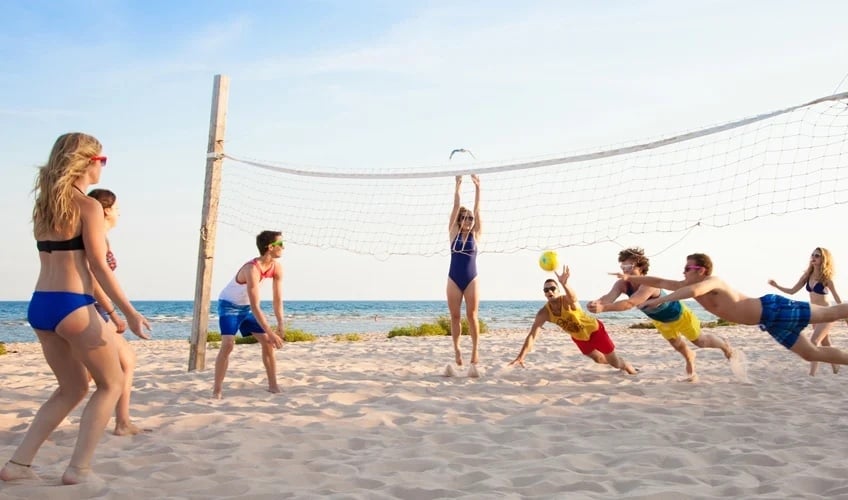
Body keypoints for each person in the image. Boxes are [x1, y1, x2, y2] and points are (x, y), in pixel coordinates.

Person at [1, 133, 150, 485]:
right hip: (73, 304)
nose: (104, 165)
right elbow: (98, 265)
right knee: (111, 384)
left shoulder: (45, 206)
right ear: (85, 161)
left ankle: (18, 465)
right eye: (103, 159)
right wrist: (127, 311)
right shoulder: (88, 206)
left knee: (70, 389)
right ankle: (78, 469)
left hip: (40, 305)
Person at [617, 253, 848, 368]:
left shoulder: (712, 282)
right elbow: (662, 281)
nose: (684, 271)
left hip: (773, 309)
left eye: (688, 268)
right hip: (769, 323)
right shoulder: (685, 284)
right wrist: (629, 276)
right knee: (810, 355)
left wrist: (657, 302)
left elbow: (694, 292)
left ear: (702, 270)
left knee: (832, 313)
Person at [588, 247, 734, 381]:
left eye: (629, 266)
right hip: (660, 320)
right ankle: (690, 357)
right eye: (623, 266)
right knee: (677, 345)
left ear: (640, 267)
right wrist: (597, 303)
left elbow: (630, 303)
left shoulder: (649, 284)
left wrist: (604, 309)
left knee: (700, 342)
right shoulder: (622, 284)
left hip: (679, 315)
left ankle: (724, 345)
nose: (625, 270)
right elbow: (608, 298)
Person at [88, 188, 148, 434]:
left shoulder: (102, 236)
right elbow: (92, 279)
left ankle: (123, 422)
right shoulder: (95, 237)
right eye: (117, 208)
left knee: (125, 361)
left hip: (97, 308)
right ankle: (122, 423)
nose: (120, 212)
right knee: (80, 381)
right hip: (90, 308)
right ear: (106, 210)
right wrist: (114, 313)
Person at [509, 266, 637, 374]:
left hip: (595, 331)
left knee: (615, 363)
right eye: (546, 290)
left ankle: (629, 367)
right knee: (598, 360)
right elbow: (532, 335)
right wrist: (521, 356)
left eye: (553, 288)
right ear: (544, 293)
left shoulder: (566, 300)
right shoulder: (544, 313)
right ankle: (615, 360)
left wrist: (565, 284)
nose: (550, 291)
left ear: (558, 291)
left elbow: (573, 297)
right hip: (579, 337)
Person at [212, 231, 286, 399]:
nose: (283, 247)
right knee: (228, 345)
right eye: (280, 244)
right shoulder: (251, 269)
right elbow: (255, 305)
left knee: (267, 342)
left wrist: (280, 323)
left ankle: (273, 386)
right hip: (229, 306)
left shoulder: (277, 267)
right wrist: (271, 331)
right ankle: (217, 390)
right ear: (270, 247)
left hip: (245, 308)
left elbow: (277, 299)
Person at [768, 247, 844, 376]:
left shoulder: (827, 279)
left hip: (828, 313)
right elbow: (792, 291)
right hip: (815, 314)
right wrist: (777, 286)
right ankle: (836, 364)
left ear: (824, 259)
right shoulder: (807, 276)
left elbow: (837, 299)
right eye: (813, 255)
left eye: (817, 256)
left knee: (814, 342)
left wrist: (844, 314)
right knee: (825, 342)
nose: (814, 257)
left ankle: (812, 375)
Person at [446, 174, 482, 370]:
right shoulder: (453, 233)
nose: (469, 220)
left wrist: (478, 188)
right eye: (465, 218)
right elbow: (455, 208)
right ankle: (457, 349)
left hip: (471, 278)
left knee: (472, 315)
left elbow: (478, 210)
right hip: (454, 278)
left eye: (470, 218)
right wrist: (458, 186)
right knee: (455, 316)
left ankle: (475, 350)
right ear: (460, 221)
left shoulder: (476, 235)